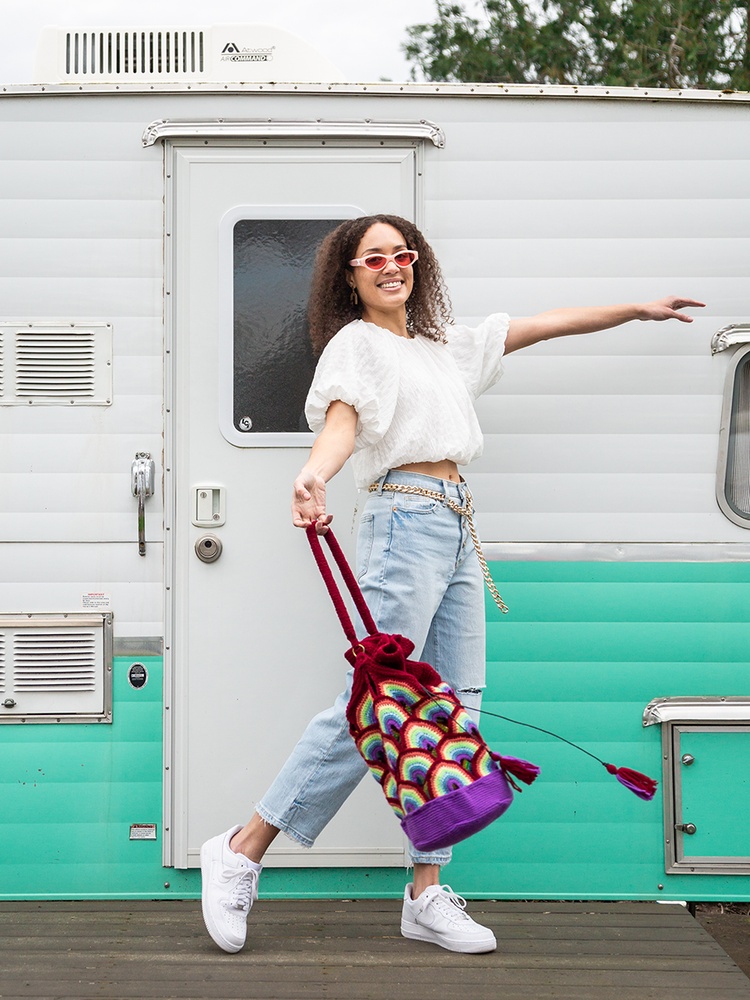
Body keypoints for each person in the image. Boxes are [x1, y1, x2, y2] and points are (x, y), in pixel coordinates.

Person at [200, 214, 704, 956]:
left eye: (401, 254)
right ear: (350, 274)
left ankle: (425, 894)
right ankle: (242, 848)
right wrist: (315, 471)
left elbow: (543, 325)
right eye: (373, 259)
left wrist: (633, 308)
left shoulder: (444, 345)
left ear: (417, 264)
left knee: (459, 707)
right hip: (403, 521)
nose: (390, 266)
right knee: (379, 702)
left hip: (458, 524)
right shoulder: (358, 344)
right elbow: (342, 420)